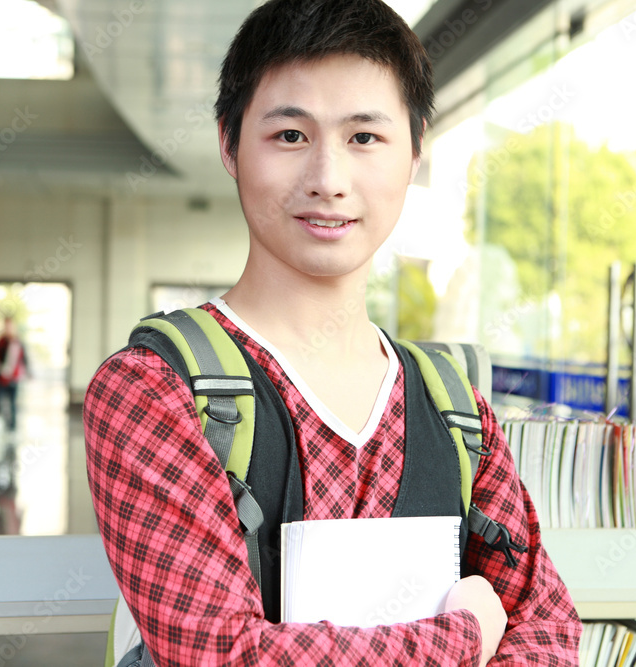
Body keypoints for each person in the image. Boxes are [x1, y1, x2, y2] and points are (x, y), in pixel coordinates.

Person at [84, 1, 582, 664]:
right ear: (230, 144)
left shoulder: (454, 407)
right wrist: (465, 635)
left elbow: (548, 630)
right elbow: (219, 653)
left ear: (415, 150)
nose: (328, 180)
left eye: (364, 137)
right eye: (291, 135)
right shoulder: (154, 389)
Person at [0, 316, 29, 433]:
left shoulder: (17, 342)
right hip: (1, 377)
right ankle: (4, 424)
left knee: (12, 403)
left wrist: (27, 372)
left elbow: (23, 359)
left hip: (13, 378)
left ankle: (12, 428)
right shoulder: (1, 342)